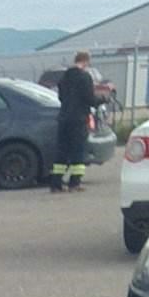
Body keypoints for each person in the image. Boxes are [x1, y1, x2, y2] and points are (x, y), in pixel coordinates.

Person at [51, 51, 98, 192]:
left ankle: (56, 184)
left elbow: (61, 98)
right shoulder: (85, 77)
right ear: (86, 61)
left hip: (64, 118)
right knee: (78, 151)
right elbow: (90, 99)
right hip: (79, 119)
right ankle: (74, 183)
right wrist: (103, 99)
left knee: (62, 151)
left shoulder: (64, 78)